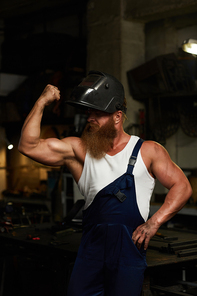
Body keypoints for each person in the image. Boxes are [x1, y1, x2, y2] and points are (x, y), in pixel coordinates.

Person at [18, 70, 192, 296]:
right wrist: (41, 101)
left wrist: (154, 223)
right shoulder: (79, 149)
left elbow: (183, 187)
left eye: (97, 113)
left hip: (128, 252)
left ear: (117, 117)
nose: (90, 118)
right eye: (88, 111)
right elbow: (28, 146)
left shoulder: (148, 151)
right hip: (91, 252)